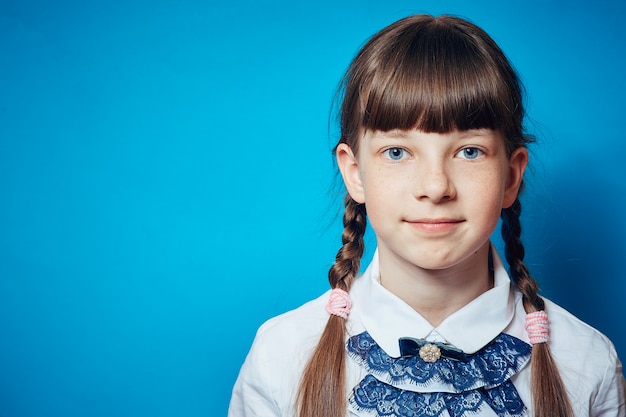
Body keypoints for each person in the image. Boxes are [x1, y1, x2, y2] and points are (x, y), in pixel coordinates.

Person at [227, 14, 626, 417]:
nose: (435, 187)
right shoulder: (281, 355)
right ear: (354, 172)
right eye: (397, 152)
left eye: (469, 151)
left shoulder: (586, 361)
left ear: (510, 175)